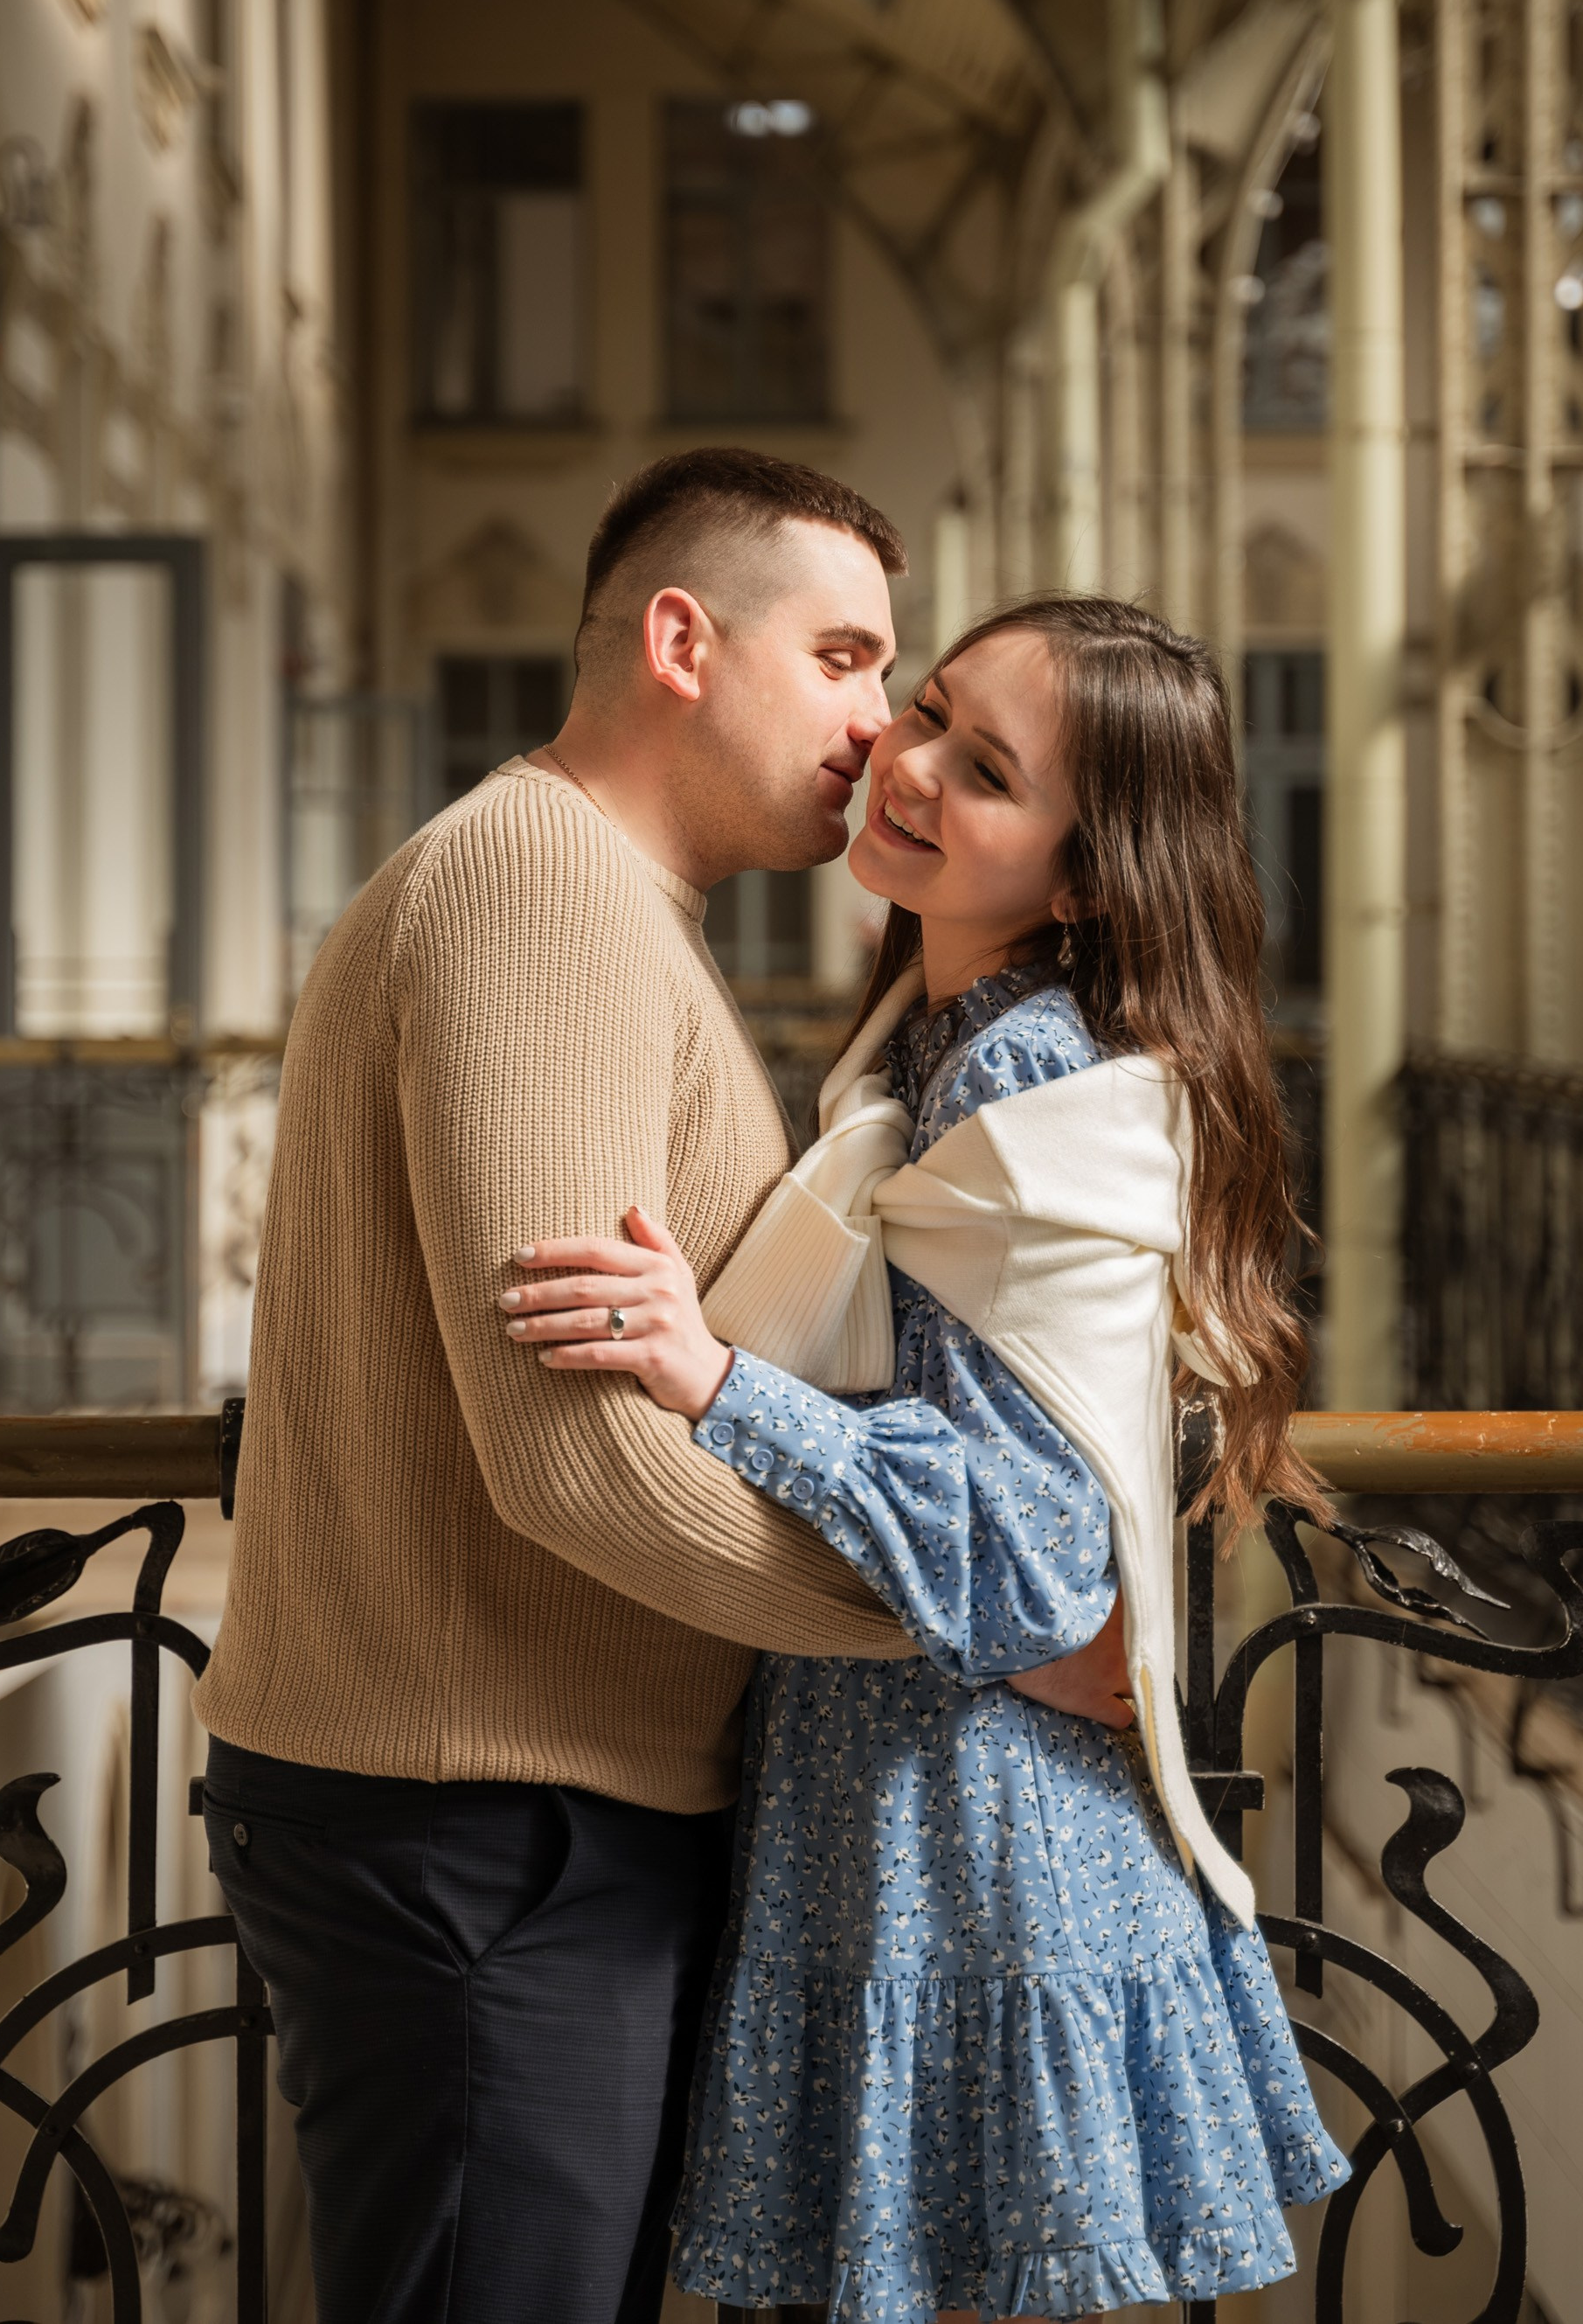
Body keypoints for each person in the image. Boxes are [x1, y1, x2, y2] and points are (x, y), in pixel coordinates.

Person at [193, 453, 1124, 2324]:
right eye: (854, 659)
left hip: (511, 1804)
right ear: (683, 641)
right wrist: (963, 1624)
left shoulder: (605, 901)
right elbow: (584, 1473)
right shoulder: (540, 886)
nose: (878, 728)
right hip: (480, 1818)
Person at [503, 595, 1350, 2322]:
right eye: (930, 715)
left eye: (986, 768)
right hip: (916, 1796)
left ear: (1087, 872)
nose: (907, 766)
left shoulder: (1017, 1075)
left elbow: (1030, 1544)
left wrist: (716, 1377)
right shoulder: (935, 1034)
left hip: (965, 1842)